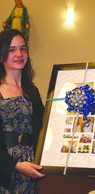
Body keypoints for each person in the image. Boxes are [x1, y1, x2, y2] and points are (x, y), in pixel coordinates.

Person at [0, 29, 45, 193]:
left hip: (30, 167)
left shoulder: (32, 91)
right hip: (5, 170)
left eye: (23, 48)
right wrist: (16, 166)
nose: (19, 54)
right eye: (11, 50)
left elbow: (44, 126)